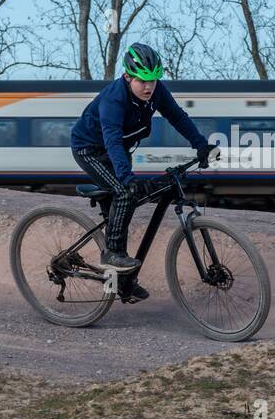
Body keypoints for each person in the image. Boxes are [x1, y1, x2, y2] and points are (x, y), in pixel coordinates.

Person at [71, 43, 213, 303]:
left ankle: (121, 281)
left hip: (117, 150)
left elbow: (177, 117)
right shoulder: (114, 99)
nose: (149, 87)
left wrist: (201, 144)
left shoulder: (156, 93)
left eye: (154, 80)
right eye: (143, 81)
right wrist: (126, 179)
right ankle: (111, 255)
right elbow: (112, 140)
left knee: (124, 204)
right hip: (90, 149)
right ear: (127, 77)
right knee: (125, 192)